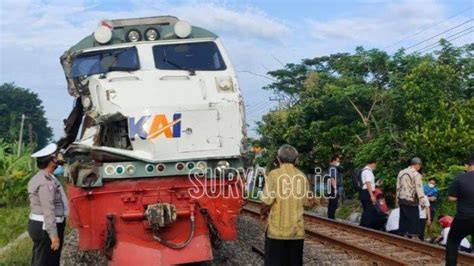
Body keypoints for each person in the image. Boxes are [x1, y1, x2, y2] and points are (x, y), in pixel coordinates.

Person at [260, 144, 314, 266]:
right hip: (296, 232)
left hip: (276, 232)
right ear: (296, 160)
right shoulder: (301, 176)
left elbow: (266, 202)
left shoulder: (274, 175)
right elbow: (307, 203)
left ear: (278, 158)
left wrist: (262, 214)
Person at [28, 143, 69, 266]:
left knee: (42, 259)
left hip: (43, 225)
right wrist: (53, 236)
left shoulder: (46, 177)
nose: (58, 160)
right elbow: (48, 209)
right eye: (55, 158)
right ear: (51, 162)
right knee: (45, 261)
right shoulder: (46, 183)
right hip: (45, 226)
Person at [446, 155, 474, 265]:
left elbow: (451, 198)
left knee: (453, 241)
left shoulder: (460, 178)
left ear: (467, 165)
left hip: (463, 218)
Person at [396, 157, 428, 238]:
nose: (420, 167)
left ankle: (401, 233)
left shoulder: (401, 172)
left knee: (403, 217)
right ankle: (411, 235)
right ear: (417, 165)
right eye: (420, 165)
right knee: (414, 218)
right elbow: (419, 188)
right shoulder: (416, 174)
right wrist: (422, 201)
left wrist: (397, 198)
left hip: (402, 198)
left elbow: (398, 186)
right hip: (411, 199)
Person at [359, 159, 377, 229]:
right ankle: (365, 227)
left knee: (366, 210)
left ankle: (363, 226)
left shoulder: (364, 171)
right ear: (372, 163)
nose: (375, 166)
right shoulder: (368, 171)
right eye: (375, 164)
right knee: (368, 210)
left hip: (365, 192)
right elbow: (368, 183)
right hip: (367, 192)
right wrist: (372, 196)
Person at [327, 155, 341, 219]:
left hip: (331, 187)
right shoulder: (333, 168)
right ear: (333, 161)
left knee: (331, 203)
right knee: (333, 203)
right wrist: (335, 188)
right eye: (337, 161)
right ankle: (331, 218)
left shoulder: (331, 168)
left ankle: (330, 217)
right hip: (333, 188)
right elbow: (332, 178)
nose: (338, 163)